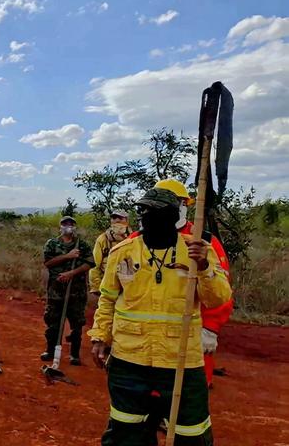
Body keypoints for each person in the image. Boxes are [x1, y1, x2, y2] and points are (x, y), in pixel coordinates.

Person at [88, 187, 232, 445]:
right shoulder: (123, 251)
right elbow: (107, 300)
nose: (147, 218)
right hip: (129, 359)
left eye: (156, 213)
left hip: (181, 361)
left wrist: (204, 268)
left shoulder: (198, 250)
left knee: (192, 435)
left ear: (173, 217)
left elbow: (218, 298)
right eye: (144, 211)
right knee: (126, 432)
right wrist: (100, 336)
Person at [154, 179, 234, 387]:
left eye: (174, 202)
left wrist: (210, 327)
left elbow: (220, 288)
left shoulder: (204, 242)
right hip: (150, 339)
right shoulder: (138, 239)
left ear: (184, 205)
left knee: (189, 399)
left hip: (190, 338)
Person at [42, 216, 95, 365]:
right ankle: (50, 350)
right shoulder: (52, 244)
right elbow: (48, 263)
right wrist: (68, 256)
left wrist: (71, 273)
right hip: (56, 291)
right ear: (60, 227)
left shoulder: (82, 244)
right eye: (65, 224)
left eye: (71, 224)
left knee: (77, 324)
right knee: (53, 323)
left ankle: (74, 355)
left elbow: (90, 263)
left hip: (76, 291)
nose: (68, 227)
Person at [89, 209, 131, 299]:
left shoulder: (134, 239)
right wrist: (96, 288)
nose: (117, 220)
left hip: (129, 287)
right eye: (114, 218)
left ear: (127, 221)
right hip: (108, 287)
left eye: (120, 218)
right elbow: (95, 266)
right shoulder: (102, 239)